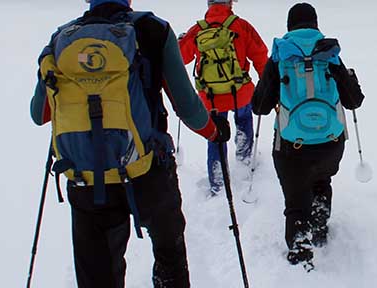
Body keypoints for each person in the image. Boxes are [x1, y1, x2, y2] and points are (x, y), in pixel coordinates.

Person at [30, 0, 229, 286]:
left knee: (98, 274)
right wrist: (213, 132)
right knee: (168, 252)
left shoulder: (62, 39)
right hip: (148, 170)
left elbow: (40, 114)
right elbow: (186, 105)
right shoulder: (153, 29)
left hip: (86, 179)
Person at [252, 2, 365, 269]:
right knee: (321, 180)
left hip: (292, 147)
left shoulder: (280, 55)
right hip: (330, 143)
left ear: (290, 26)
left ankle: (301, 255)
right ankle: (320, 228)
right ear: (315, 24)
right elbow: (354, 100)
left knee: (295, 200)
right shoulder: (330, 53)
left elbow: (260, 106)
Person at [179, 0, 269, 196]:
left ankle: (218, 182)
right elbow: (260, 56)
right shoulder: (241, 26)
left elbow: (180, 57)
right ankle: (244, 160)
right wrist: (268, 84)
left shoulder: (197, 30)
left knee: (215, 136)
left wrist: (181, 41)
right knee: (244, 119)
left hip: (211, 97)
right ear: (230, 3)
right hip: (240, 91)